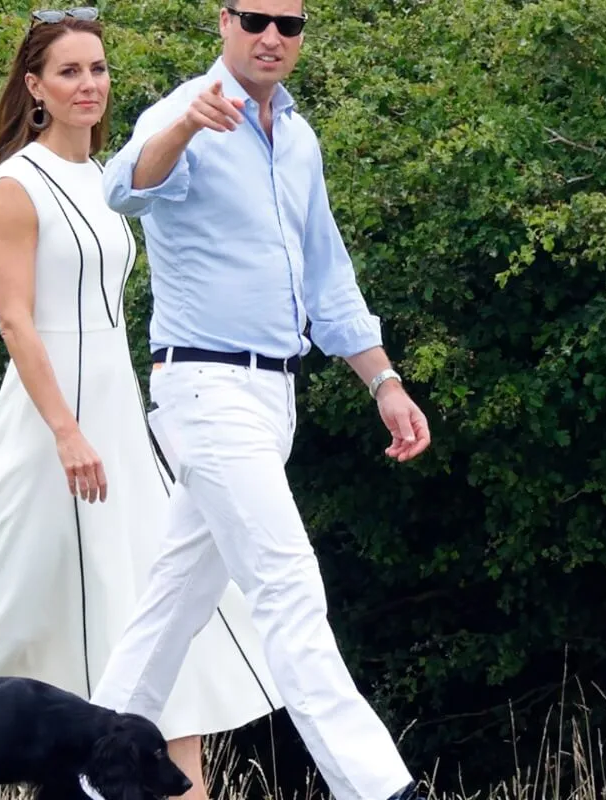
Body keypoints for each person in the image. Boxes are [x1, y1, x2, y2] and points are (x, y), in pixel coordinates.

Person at [0, 8, 283, 799]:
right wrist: (67, 430)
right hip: (50, 423)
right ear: (34, 86)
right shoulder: (17, 181)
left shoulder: (105, 177)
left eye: (99, 70)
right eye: (69, 71)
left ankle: (184, 781)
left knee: (151, 601)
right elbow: (15, 318)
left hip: (119, 410)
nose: (89, 85)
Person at [87, 2, 432, 800]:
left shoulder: (300, 140)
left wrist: (384, 382)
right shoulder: (184, 110)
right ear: (224, 22)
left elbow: (328, 275)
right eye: (256, 19)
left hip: (274, 394)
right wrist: (184, 129)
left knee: (173, 602)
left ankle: (87, 772)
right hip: (203, 386)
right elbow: (124, 190)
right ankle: (382, 789)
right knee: (287, 589)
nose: (273, 36)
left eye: (291, 23)